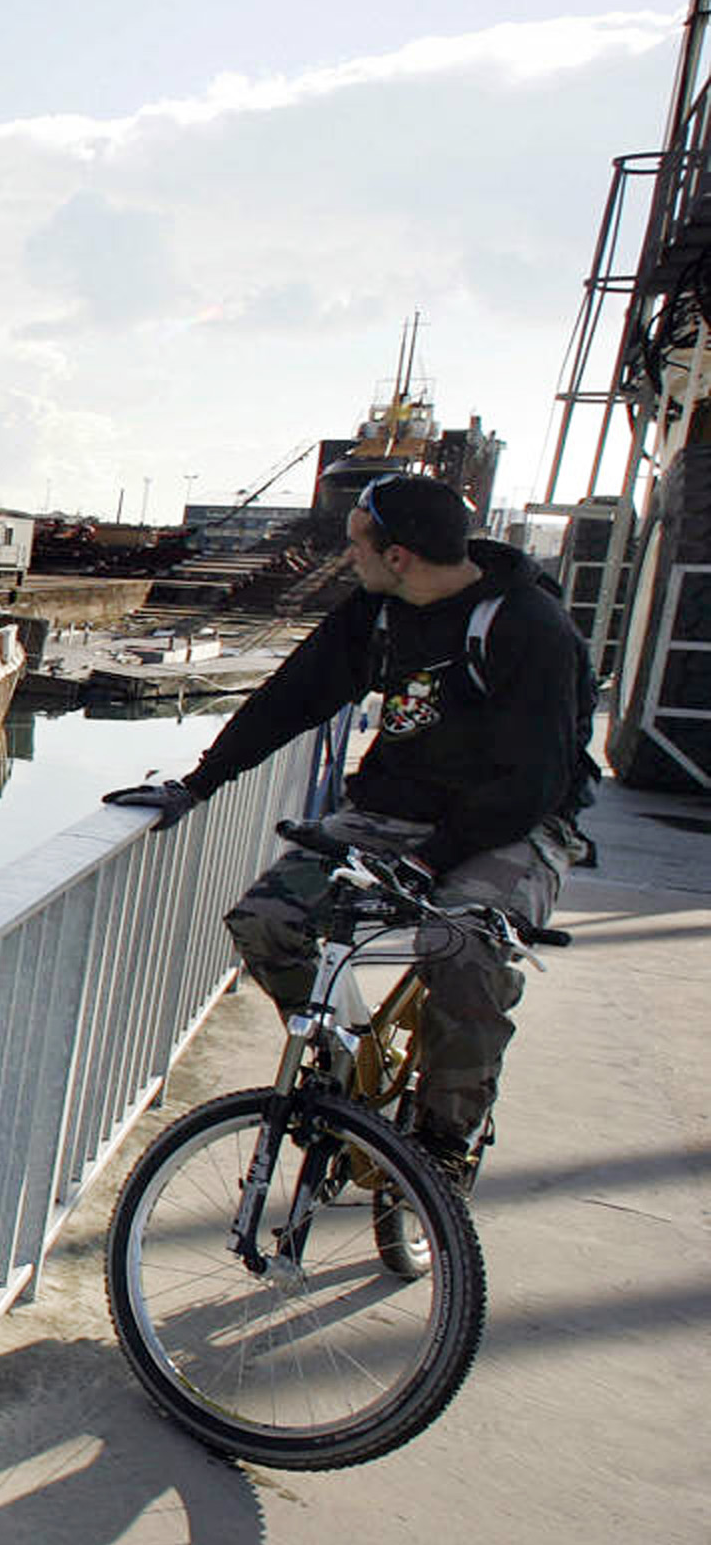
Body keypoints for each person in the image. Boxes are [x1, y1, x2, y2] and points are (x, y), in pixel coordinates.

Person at [103, 471, 595, 1182]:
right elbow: (292, 697)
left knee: (465, 950)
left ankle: (441, 1148)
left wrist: (433, 860)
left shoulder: (528, 626)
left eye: (357, 544)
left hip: (513, 825)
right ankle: (349, 1077)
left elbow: (536, 781)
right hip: (392, 813)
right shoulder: (378, 612)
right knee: (267, 923)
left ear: (398, 555)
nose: (348, 556)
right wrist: (198, 783)